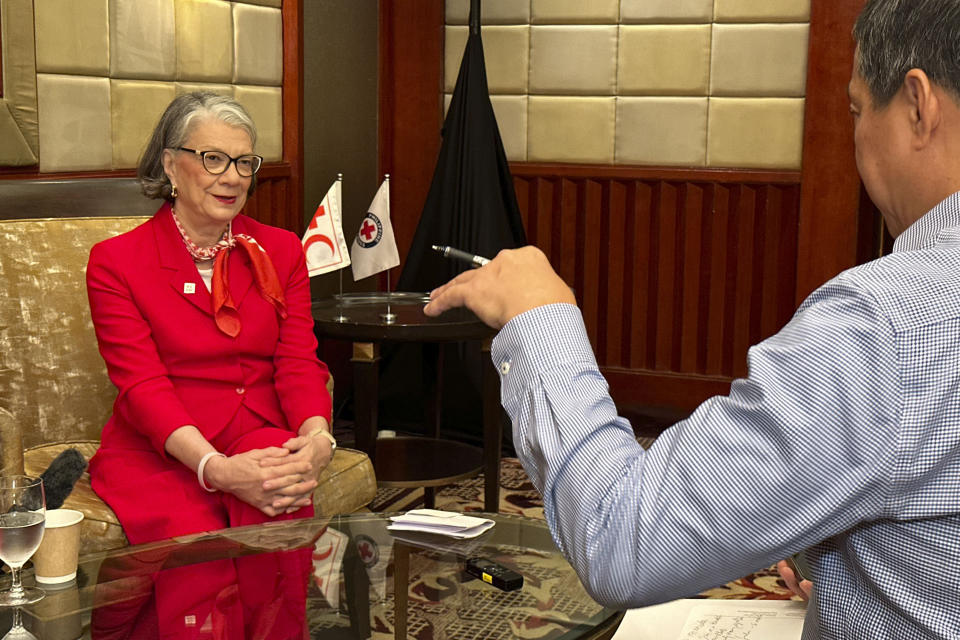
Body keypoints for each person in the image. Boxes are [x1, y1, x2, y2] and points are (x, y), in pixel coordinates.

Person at [424, 0, 960, 636]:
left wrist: (541, 318)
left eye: (854, 110)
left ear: (918, 105)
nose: (854, 137)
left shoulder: (892, 325)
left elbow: (620, 535)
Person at [86, 92, 333, 638]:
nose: (232, 177)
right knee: (196, 539)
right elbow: (142, 386)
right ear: (171, 164)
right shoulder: (117, 262)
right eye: (213, 158)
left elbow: (298, 360)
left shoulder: (282, 250)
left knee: (281, 492)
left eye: (244, 162)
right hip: (164, 449)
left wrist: (318, 438)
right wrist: (214, 469)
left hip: (258, 430)